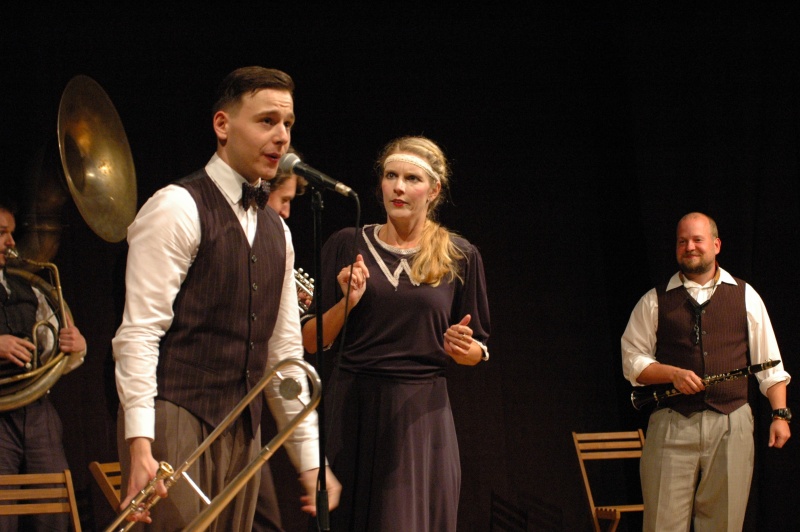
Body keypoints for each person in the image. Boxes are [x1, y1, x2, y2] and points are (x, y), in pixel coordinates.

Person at [111, 67, 339, 530]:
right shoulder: (177, 206)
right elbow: (139, 333)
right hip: (175, 415)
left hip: (243, 429)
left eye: (288, 123)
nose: (281, 136)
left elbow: (284, 356)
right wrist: (140, 443)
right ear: (222, 125)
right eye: (266, 121)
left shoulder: (278, 231)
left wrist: (310, 460)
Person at [301, 135, 491, 531]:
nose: (398, 188)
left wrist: (463, 349)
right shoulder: (347, 243)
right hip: (353, 407)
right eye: (391, 176)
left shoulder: (459, 254)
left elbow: (478, 348)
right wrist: (347, 303)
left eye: (411, 179)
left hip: (419, 415)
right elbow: (312, 340)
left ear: (434, 190)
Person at [621, 212, 791, 532]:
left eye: (697, 240)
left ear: (716, 245)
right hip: (671, 423)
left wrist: (780, 414)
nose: (690, 247)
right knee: (661, 524)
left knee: (724, 524)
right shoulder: (654, 300)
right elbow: (632, 361)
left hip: (731, 423)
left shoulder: (745, 295)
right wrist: (672, 374)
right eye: (682, 241)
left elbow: (770, 363)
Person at [0, 201, 87, 532]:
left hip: (36, 408)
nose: (12, 242)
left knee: (54, 505)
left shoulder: (29, 286)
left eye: (11, 233)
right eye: (2, 233)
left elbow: (51, 341)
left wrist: (75, 345)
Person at [252, 156, 310, 531]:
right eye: (284, 200)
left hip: (243, 417)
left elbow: (286, 352)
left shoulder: (278, 239)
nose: (287, 212)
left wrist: (311, 462)